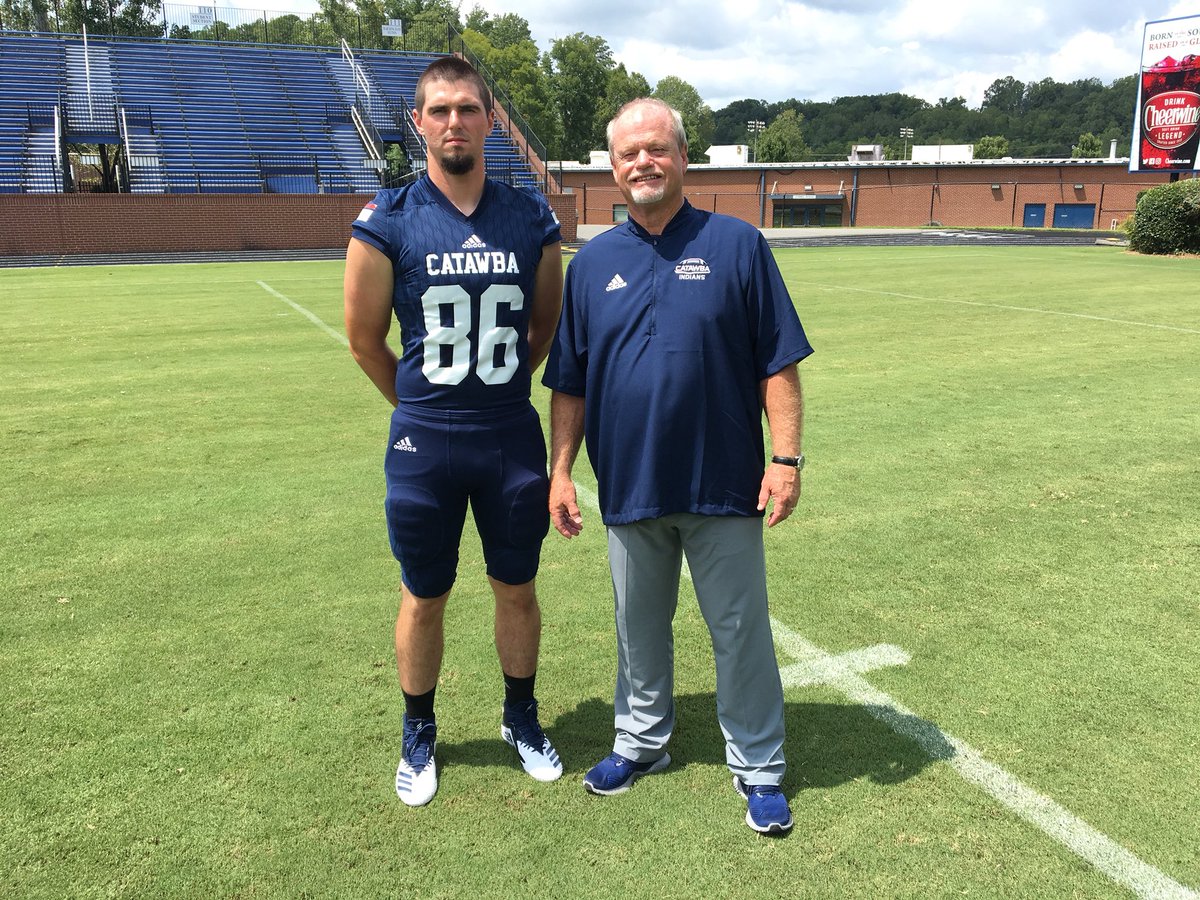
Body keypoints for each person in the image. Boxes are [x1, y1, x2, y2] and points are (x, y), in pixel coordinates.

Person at [542, 98, 812, 834]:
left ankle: (759, 765)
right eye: (629, 154)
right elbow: (569, 382)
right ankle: (640, 743)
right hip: (629, 483)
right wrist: (561, 471)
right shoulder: (592, 265)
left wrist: (785, 458)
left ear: (684, 157)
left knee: (740, 629)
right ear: (612, 169)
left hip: (724, 481)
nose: (643, 163)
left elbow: (778, 362)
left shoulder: (738, 245)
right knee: (638, 629)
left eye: (656, 148)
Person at [343, 57, 564, 807]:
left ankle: (520, 716)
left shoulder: (529, 217)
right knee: (423, 593)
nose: (454, 122)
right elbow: (366, 342)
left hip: (507, 434)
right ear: (418, 122)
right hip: (425, 441)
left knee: (517, 588)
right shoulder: (388, 218)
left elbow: (544, 327)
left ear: (490, 120)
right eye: (439, 110)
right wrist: (420, 406)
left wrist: (492, 392)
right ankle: (419, 729)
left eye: (468, 108)